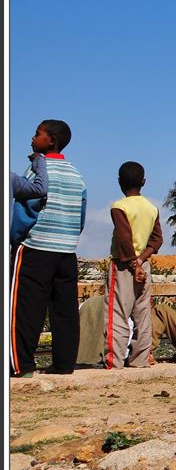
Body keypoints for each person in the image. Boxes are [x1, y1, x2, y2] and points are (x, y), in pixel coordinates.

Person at [10, 120, 87, 378]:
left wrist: (15, 239)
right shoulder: (76, 174)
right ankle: (64, 365)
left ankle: (22, 365)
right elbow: (81, 215)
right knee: (64, 309)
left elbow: (24, 211)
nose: (33, 138)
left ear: (50, 140)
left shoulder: (37, 171)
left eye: (37, 134)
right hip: (66, 250)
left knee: (26, 308)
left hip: (36, 247)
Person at [104, 161, 163, 370]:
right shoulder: (151, 208)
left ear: (120, 182)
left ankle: (114, 361)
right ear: (144, 182)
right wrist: (142, 260)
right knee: (143, 314)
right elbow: (157, 240)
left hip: (123, 266)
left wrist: (132, 263)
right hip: (144, 265)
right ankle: (140, 359)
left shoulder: (119, 207)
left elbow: (123, 238)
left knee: (117, 314)